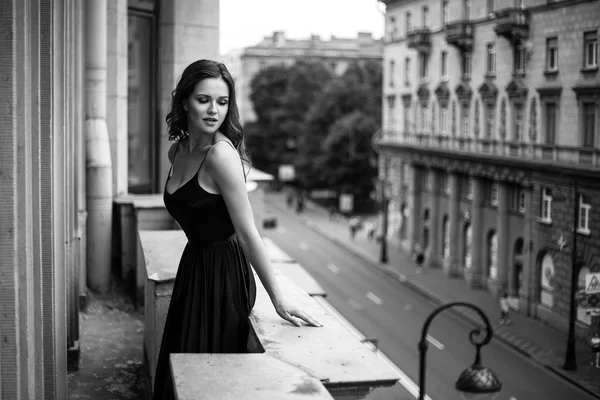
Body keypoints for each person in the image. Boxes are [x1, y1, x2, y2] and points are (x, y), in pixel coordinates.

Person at [153, 60, 321, 400]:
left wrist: (278, 300)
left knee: (207, 378)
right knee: (182, 366)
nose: (214, 110)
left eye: (223, 101)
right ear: (185, 101)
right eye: (204, 100)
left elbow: (247, 234)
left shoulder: (221, 156)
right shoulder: (178, 151)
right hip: (194, 268)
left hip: (224, 276)